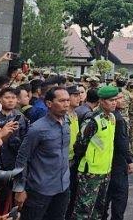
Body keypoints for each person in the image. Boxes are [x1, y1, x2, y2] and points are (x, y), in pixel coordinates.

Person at [13, 87, 71, 220]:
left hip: (62, 186)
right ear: (49, 104)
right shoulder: (38, 129)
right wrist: (19, 188)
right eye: (62, 101)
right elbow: (22, 158)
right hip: (40, 189)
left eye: (68, 100)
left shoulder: (66, 122)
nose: (66, 104)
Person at [72, 85, 117, 220]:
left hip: (105, 171)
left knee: (98, 210)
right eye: (111, 100)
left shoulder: (112, 118)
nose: (114, 102)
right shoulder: (92, 120)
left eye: (115, 99)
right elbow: (80, 145)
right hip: (90, 172)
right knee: (83, 211)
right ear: (102, 101)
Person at [0, 87, 28, 216]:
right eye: (7, 98)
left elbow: (25, 141)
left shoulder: (21, 117)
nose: (10, 101)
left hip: (14, 164)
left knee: (13, 203)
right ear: (0, 100)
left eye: (13, 98)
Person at [101, 89, 133, 220]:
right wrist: (129, 160)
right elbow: (122, 143)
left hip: (108, 163)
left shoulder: (109, 116)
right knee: (119, 199)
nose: (119, 101)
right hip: (117, 165)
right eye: (115, 99)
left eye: (118, 99)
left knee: (105, 198)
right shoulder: (117, 119)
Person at [65, 86, 82, 220]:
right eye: (75, 95)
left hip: (73, 159)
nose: (79, 97)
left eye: (79, 95)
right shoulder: (63, 115)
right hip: (63, 161)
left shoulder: (75, 114)